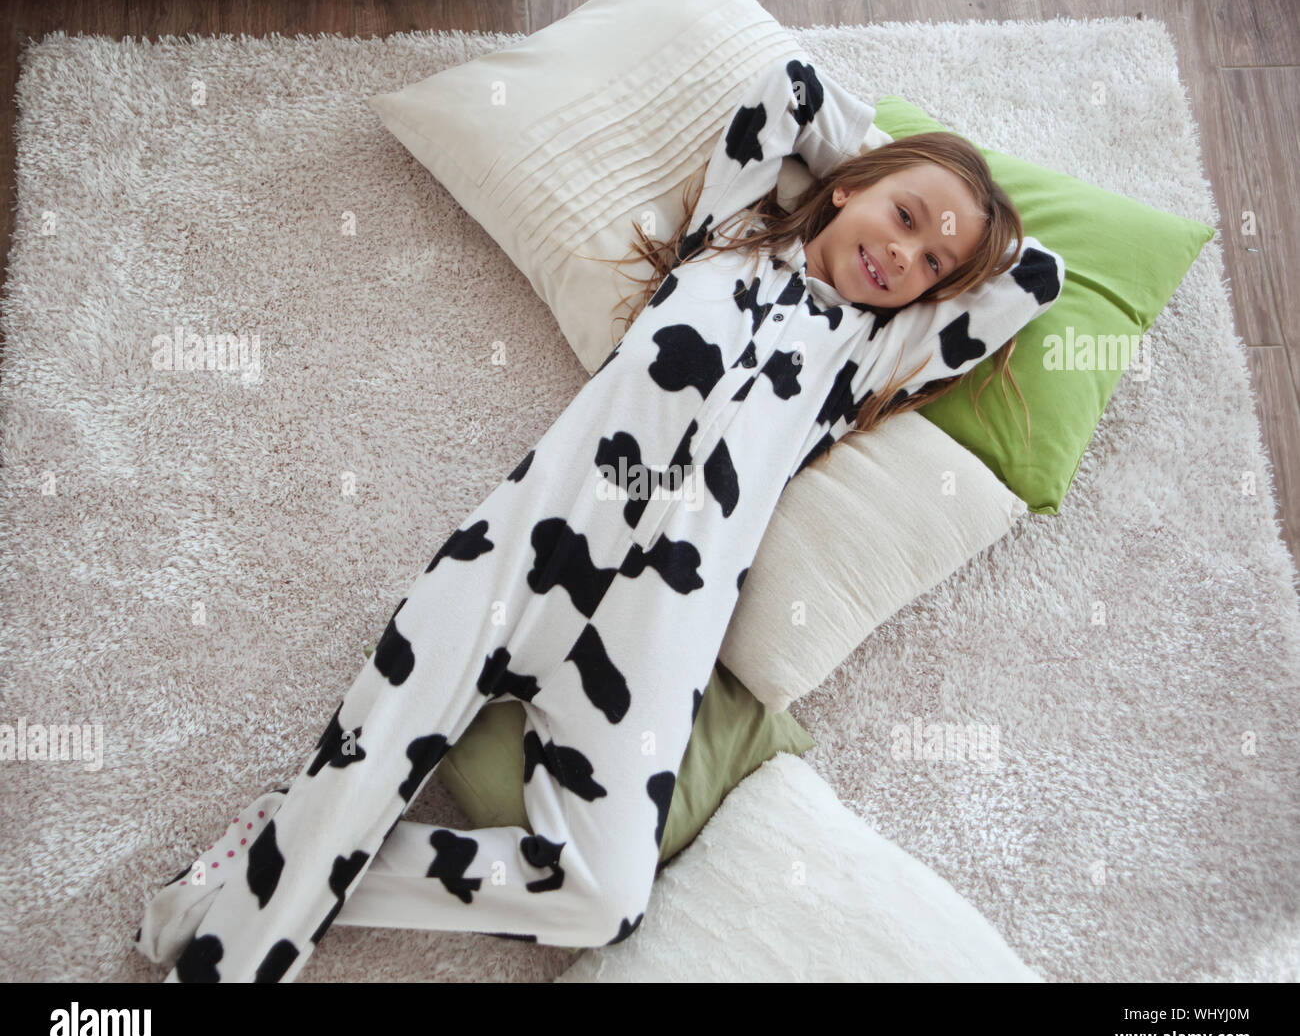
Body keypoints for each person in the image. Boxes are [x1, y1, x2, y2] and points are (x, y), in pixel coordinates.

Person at [134, 51, 1065, 983]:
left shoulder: (859, 363)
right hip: (513, 564)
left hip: (648, 642)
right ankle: (263, 907)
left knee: (601, 896)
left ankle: (286, 851)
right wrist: (870, 162)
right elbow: (788, 86)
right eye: (901, 217)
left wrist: (945, 228)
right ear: (841, 189)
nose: (906, 254)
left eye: (932, 262)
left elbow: (1036, 279)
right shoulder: (729, 235)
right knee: (364, 773)